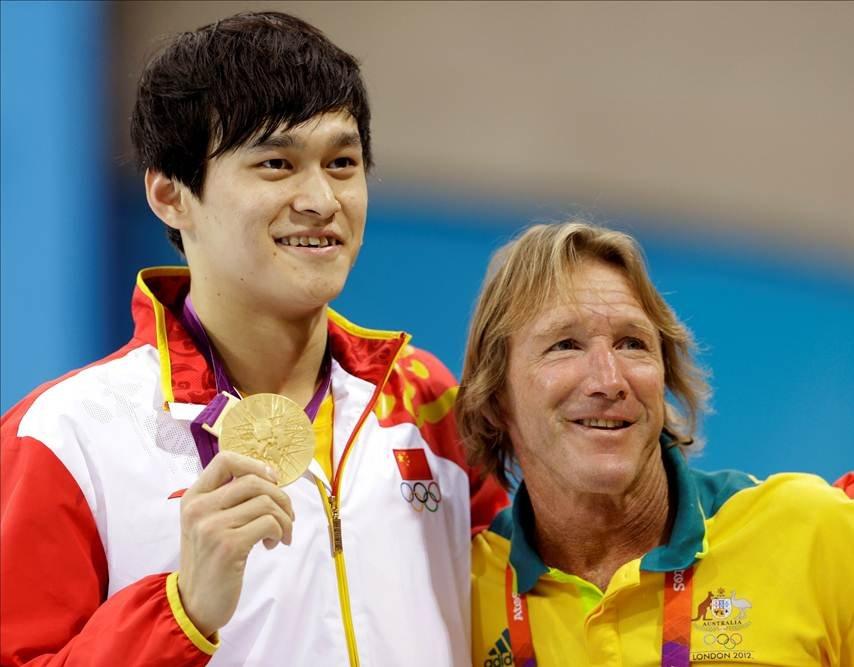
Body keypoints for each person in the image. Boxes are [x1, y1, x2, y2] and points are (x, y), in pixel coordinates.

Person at [0, 11, 505, 666]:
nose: (322, 199)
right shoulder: (67, 439)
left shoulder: (426, 403)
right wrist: (180, 611)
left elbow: (525, 618)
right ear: (169, 193)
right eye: (276, 163)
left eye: (342, 162)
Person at [456, 221, 854, 666]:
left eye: (633, 344)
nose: (609, 380)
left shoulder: (813, 532)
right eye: (565, 345)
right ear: (495, 399)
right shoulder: (460, 591)